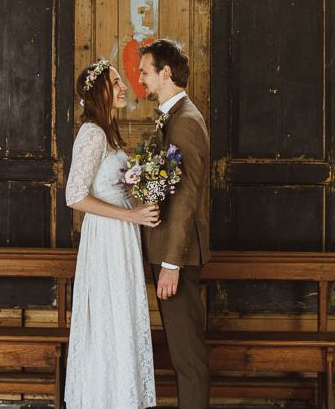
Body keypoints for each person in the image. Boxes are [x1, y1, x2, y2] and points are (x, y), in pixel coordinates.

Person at [64, 59, 159, 409]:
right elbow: (74, 195)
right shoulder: (93, 133)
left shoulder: (110, 132)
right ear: (98, 91)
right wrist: (129, 214)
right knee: (108, 316)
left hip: (122, 236)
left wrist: (146, 196)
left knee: (122, 316)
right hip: (106, 237)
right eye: (116, 82)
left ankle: (122, 396)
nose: (123, 87)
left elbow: (115, 186)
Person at [138, 39, 211, 409]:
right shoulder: (173, 117)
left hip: (176, 256)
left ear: (166, 73)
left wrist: (171, 263)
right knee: (181, 352)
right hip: (167, 250)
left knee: (187, 356)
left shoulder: (186, 122)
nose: (140, 80)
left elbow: (185, 198)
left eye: (145, 72)